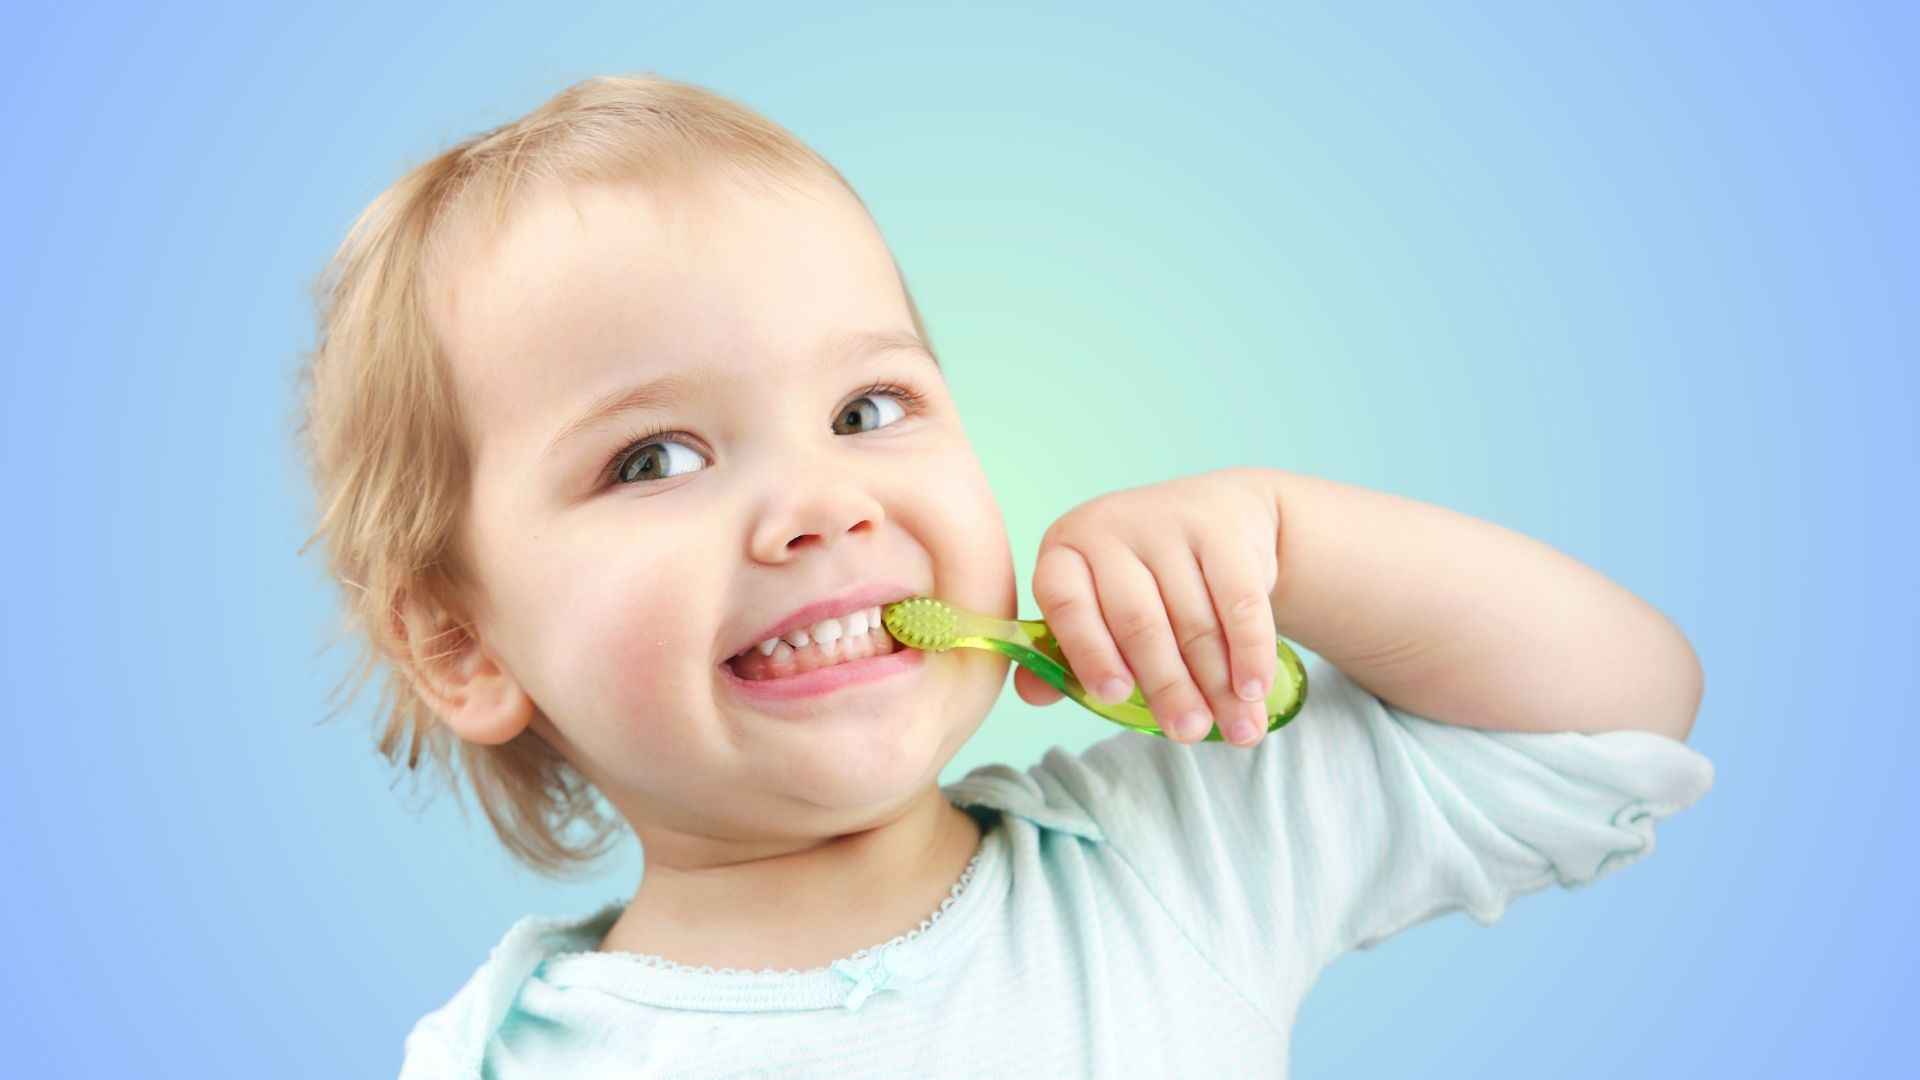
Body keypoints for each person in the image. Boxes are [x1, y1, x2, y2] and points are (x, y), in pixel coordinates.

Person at [292, 73, 1714, 1078]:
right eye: (655, 459)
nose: (820, 505)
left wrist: (1289, 538)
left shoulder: (1175, 862)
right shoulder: (495, 1057)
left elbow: (1609, 723)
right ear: (463, 648)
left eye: (866, 410)